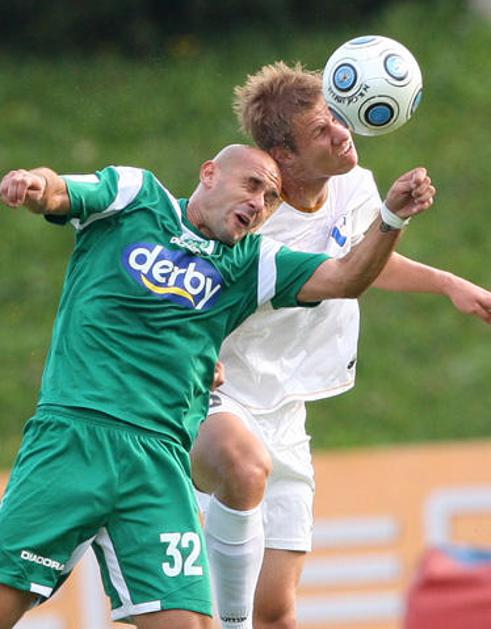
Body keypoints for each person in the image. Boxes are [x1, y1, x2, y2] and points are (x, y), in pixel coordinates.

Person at [0, 144, 434, 629]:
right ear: (209, 173)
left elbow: (345, 277)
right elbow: (60, 190)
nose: (259, 203)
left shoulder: (252, 261)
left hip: (159, 465)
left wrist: (391, 217)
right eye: (252, 185)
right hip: (76, 439)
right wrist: (34, 184)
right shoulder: (135, 196)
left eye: (271, 198)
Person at [191, 62, 491, 629]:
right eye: (320, 132)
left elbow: (360, 263)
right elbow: (187, 287)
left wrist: (450, 283)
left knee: (276, 610)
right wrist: (192, 356)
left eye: (335, 118)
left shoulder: (354, 186)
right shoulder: (246, 218)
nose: (341, 133)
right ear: (284, 156)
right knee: (217, 581)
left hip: (286, 407)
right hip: (222, 399)